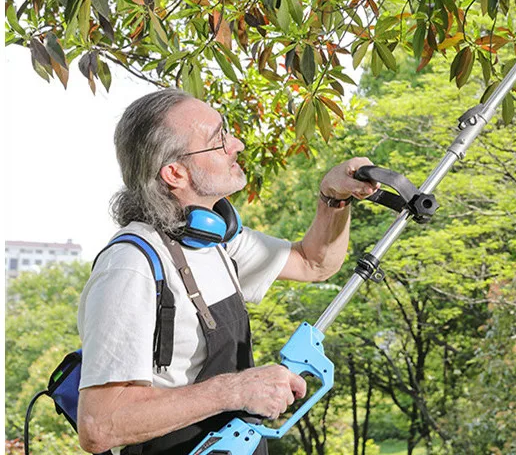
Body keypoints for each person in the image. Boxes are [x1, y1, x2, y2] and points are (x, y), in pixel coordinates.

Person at [76, 88, 377, 455]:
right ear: (175, 172)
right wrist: (235, 390)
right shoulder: (131, 266)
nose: (236, 144)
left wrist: (333, 197)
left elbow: (314, 263)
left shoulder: (215, 242)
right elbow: (99, 425)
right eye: (217, 140)